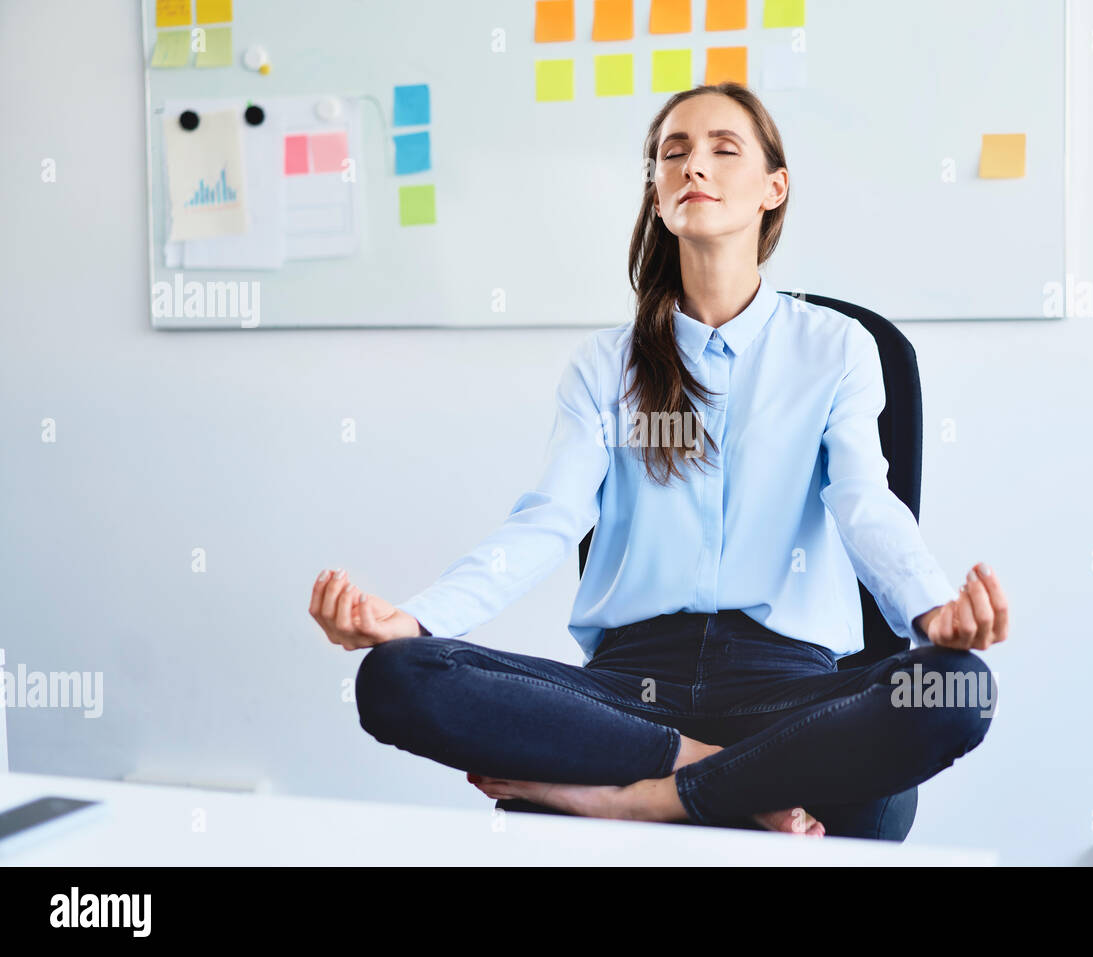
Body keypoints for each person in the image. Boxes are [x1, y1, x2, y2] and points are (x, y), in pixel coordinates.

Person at [309, 83, 1008, 838]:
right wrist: (415, 618)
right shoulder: (604, 364)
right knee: (396, 676)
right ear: (657, 190)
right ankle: (711, 771)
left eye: (722, 149)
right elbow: (549, 521)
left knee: (956, 691)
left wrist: (933, 610)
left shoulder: (835, 348)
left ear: (775, 188)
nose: (692, 166)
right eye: (673, 153)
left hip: (787, 691)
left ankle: (641, 796)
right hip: (624, 695)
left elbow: (862, 498)